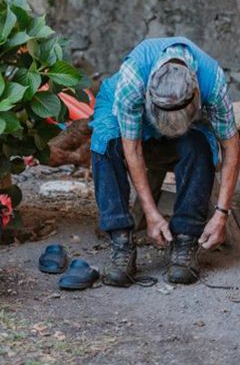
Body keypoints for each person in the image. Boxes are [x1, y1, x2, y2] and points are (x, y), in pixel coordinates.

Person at [90, 37, 240, 286]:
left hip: (188, 130)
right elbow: (133, 148)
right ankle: (121, 244)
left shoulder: (212, 82)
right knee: (105, 144)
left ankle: (185, 239)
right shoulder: (132, 81)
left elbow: (231, 144)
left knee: (200, 148)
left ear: (194, 95)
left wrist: (221, 213)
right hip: (128, 120)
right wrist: (151, 213)